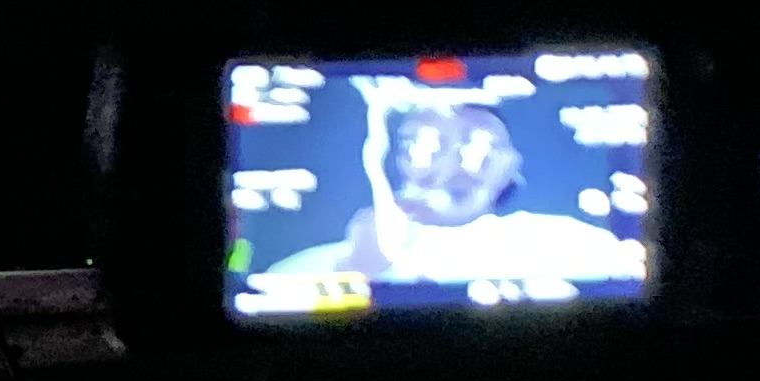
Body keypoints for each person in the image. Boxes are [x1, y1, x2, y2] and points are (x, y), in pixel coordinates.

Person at [271, 76, 645, 290]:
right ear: (388, 158)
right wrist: (359, 270)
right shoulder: (304, 272)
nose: (451, 167)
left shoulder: (574, 246)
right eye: (426, 144)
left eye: (477, 144)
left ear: (511, 166)